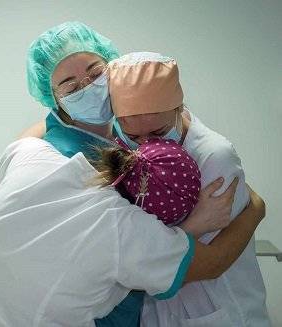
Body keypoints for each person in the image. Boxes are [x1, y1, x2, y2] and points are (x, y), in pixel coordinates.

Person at [20, 22, 269, 325]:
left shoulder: (197, 151)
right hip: (111, 307)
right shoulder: (76, 157)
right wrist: (253, 211)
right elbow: (156, 258)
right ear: (53, 98)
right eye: (71, 88)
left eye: (96, 74)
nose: (87, 88)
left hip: (212, 309)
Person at [0, 136, 265, 326]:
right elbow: (214, 262)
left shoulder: (35, 156)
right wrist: (256, 208)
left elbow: (24, 139)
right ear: (156, 220)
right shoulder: (127, 231)